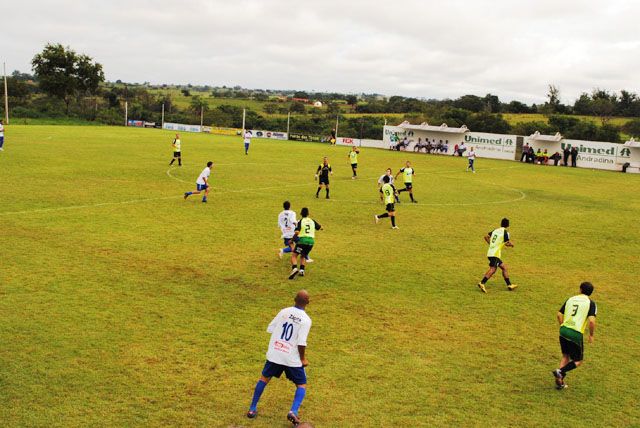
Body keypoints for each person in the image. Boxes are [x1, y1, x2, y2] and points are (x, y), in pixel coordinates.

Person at [246, 290, 312, 425]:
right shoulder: (306, 320)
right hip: (291, 358)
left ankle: (252, 409)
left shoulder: (284, 312)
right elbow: (301, 342)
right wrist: (303, 359)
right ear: (308, 303)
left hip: (275, 353)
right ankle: (293, 411)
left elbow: (270, 328)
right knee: (301, 384)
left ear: (294, 299)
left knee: (264, 379)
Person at [552, 282, 597, 390]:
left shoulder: (570, 299)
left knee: (565, 356)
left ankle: (560, 382)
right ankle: (560, 371)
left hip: (563, 330)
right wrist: (591, 335)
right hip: (575, 333)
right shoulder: (591, 303)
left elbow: (559, 314)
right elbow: (591, 321)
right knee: (578, 360)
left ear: (580, 289)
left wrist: (563, 325)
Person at [477, 218, 517, 292]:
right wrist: (511, 244)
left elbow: (486, 237)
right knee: (493, 269)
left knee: (504, 267)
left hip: (490, 252)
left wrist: (491, 244)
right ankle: (482, 283)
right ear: (508, 225)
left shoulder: (495, 230)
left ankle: (509, 285)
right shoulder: (505, 233)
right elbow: (507, 243)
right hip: (495, 254)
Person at [289, 208, 322, 279]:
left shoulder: (301, 221)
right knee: (303, 255)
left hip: (302, 241)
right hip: (311, 242)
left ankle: (294, 268)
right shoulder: (312, 221)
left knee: (294, 256)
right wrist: (321, 228)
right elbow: (319, 227)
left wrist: (292, 240)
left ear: (301, 214)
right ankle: (301, 270)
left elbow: (297, 232)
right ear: (308, 214)